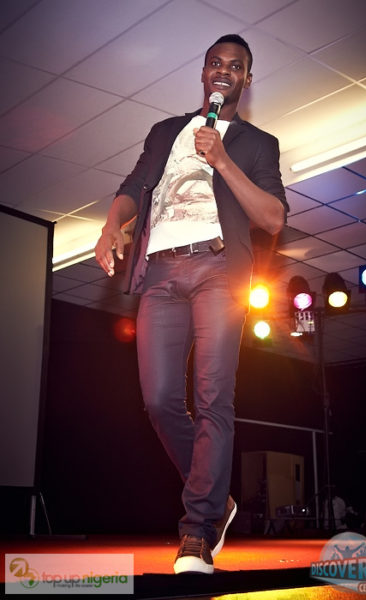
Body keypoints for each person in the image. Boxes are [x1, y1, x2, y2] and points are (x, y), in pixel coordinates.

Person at [95, 34, 289, 574]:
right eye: (215, 63)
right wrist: (111, 226)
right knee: (159, 400)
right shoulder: (164, 132)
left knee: (212, 399)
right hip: (160, 271)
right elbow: (134, 185)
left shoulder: (258, 143)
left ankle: (197, 530)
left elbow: (273, 218)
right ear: (204, 74)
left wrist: (221, 158)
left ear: (246, 80)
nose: (224, 71)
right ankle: (217, 498)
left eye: (236, 66)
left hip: (218, 269)